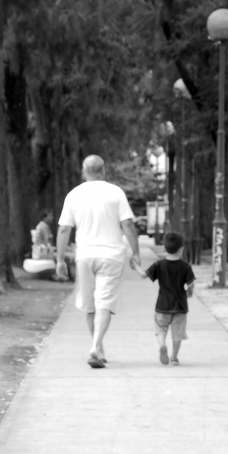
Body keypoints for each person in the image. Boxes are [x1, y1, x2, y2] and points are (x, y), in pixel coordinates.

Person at [56, 155, 141, 369]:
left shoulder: (73, 195)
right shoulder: (115, 192)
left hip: (84, 255)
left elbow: (64, 229)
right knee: (104, 302)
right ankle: (96, 346)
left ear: (84, 171)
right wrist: (135, 252)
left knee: (90, 305)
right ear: (104, 170)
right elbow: (128, 225)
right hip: (111, 255)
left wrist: (59, 259)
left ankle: (97, 346)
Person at [139, 231, 196, 366]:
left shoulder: (159, 265)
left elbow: (143, 274)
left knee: (161, 329)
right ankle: (174, 358)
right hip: (180, 306)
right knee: (178, 334)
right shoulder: (185, 266)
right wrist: (190, 292)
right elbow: (191, 284)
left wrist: (135, 265)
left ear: (164, 248)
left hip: (162, 306)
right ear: (181, 249)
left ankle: (162, 345)